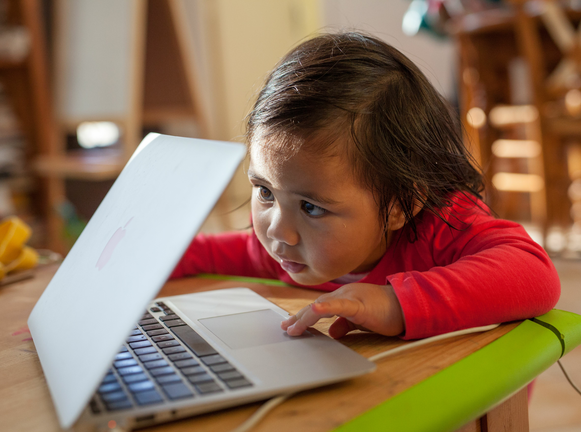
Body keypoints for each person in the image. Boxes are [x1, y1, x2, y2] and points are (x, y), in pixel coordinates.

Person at [170, 32, 560, 341]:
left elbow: (535, 273)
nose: (276, 230)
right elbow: (193, 253)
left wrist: (395, 304)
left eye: (310, 207)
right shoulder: (286, 247)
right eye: (266, 192)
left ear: (399, 203)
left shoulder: (443, 229)